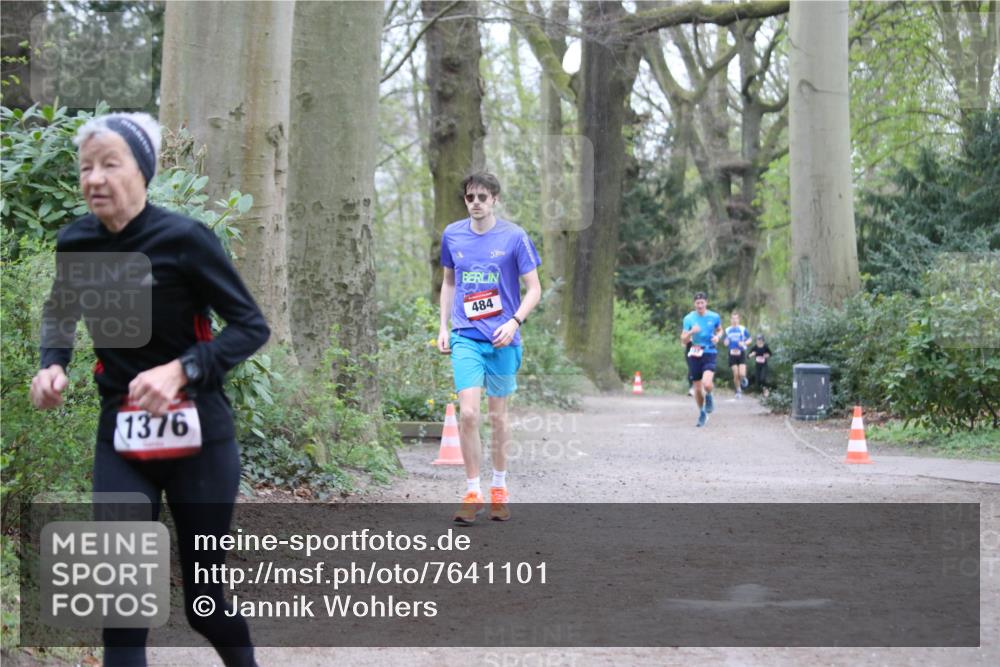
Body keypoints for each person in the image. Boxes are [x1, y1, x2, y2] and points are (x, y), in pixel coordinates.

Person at [29, 112, 268, 667]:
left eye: (110, 164)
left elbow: (251, 328)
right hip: (122, 440)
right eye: (86, 167)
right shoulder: (77, 242)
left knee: (205, 606)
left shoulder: (186, 240)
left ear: (143, 171)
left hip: (200, 443)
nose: (95, 178)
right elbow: (60, 311)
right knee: (122, 608)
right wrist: (52, 364)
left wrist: (182, 369)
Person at [437, 172, 542, 524]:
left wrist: (514, 321)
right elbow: (449, 282)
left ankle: (499, 487)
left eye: (483, 196)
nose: (476, 202)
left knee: (498, 417)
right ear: (465, 201)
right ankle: (472, 491)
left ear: (495, 199)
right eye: (470, 197)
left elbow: (534, 289)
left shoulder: (514, 237)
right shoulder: (453, 234)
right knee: (468, 414)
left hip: (503, 338)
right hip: (466, 335)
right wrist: (443, 327)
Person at [680, 292, 722, 427]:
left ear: (706, 303)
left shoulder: (714, 316)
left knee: (707, 384)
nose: (700, 305)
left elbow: (720, 330)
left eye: (702, 303)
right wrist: (691, 332)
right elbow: (683, 339)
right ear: (694, 304)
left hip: (709, 351)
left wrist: (718, 337)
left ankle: (709, 395)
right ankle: (702, 413)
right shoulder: (688, 318)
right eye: (697, 303)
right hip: (695, 353)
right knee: (697, 389)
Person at [724, 311, 752, 398]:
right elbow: (725, 342)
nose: (734, 320)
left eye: (736, 318)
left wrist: (744, 343)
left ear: (739, 319)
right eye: (733, 318)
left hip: (741, 353)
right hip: (732, 353)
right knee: (735, 373)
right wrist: (726, 342)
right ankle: (738, 390)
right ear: (731, 320)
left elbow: (750, 339)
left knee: (741, 374)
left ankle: (743, 379)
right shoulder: (728, 330)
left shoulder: (743, 329)